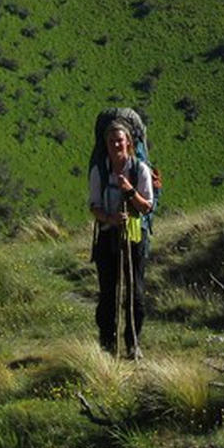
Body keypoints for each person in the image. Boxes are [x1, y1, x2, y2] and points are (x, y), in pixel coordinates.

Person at [88, 109, 154, 357]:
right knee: (108, 293)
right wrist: (111, 218)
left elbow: (147, 206)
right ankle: (107, 342)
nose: (116, 144)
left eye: (120, 140)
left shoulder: (140, 170)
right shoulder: (100, 171)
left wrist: (128, 191)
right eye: (111, 141)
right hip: (107, 235)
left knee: (135, 292)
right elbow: (94, 206)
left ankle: (133, 342)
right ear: (105, 144)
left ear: (129, 142)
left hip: (135, 236)